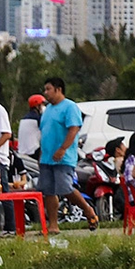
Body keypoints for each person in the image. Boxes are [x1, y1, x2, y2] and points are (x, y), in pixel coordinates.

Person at [35, 78, 97, 229]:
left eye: (48, 89)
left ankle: (88, 210)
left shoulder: (70, 107)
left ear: (58, 89)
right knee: (48, 191)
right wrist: (41, 154)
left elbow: (73, 129)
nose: (45, 93)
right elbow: (45, 133)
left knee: (65, 188)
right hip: (47, 158)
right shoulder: (47, 110)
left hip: (63, 158)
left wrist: (63, 148)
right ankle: (53, 225)